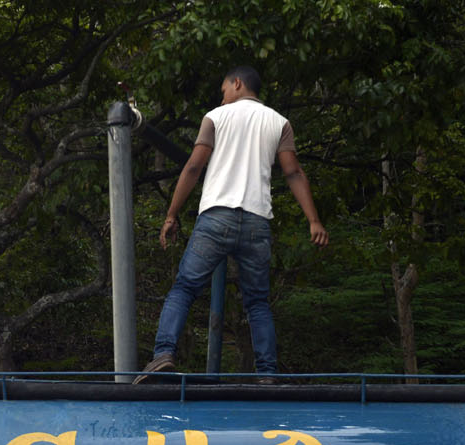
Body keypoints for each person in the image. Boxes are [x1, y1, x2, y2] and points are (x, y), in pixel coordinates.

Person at [136, 65, 327, 383]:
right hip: (256, 224)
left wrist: (172, 214)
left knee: (184, 288)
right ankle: (267, 374)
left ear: (237, 83)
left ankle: (163, 355)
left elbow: (194, 167)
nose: (222, 96)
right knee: (257, 302)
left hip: (216, 218)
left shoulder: (216, 117)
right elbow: (294, 173)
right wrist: (314, 220)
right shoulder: (280, 123)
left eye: (224, 89)